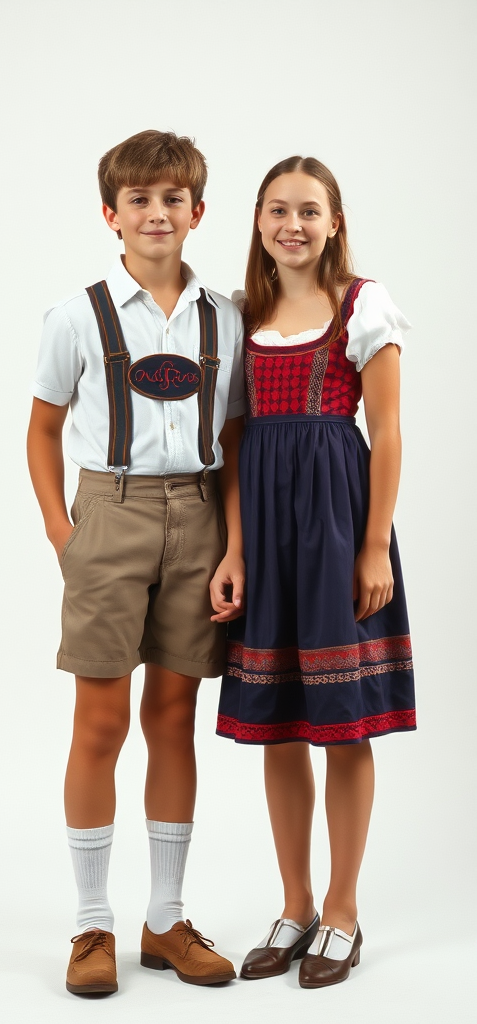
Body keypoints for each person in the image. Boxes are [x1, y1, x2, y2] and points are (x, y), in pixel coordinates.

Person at [27, 130, 245, 994]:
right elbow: (42, 430)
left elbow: (229, 442)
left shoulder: (222, 316)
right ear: (110, 214)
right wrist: (62, 535)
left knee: (172, 719)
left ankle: (165, 919)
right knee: (100, 724)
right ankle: (90, 927)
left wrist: (232, 544)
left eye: (173, 200)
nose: (158, 214)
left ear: (198, 212)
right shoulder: (77, 314)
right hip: (107, 513)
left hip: (196, 512)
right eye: (140, 200)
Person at [214, 156, 416, 988]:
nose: (290, 225)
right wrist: (233, 548)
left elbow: (391, 429)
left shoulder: (362, 303)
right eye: (275, 211)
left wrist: (374, 545)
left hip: (336, 525)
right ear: (257, 222)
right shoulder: (239, 314)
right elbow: (229, 443)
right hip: (262, 530)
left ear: (334, 221)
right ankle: (294, 904)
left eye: (308, 211)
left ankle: (342, 909)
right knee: (280, 720)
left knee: (344, 721)